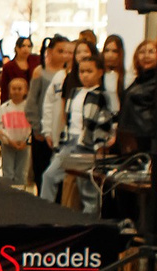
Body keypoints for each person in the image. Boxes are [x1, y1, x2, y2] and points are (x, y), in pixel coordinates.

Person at [40, 48, 115, 215]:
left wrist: (99, 145)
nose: (85, 75)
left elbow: (104, 122)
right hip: (69, 142)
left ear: (100, 72)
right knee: (49, 175)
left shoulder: (102, 96)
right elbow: (68, 119)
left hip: (88, 145)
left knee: (87, 189)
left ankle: (90, 222)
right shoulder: (74, 92)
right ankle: (44, 214)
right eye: (82, 71)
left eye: (89, 71)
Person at [26, 37, 70, 193]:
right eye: (60, 51)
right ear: (50, 52)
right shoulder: (40, 72)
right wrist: (37, 128)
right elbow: (31, 103)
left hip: (60, 131)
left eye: (67, 52)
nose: (64, 55)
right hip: (41, 132)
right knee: (42, 172)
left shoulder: (68, 74)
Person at [116, 38, 157, 155]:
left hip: (146, 138)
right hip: (129, 137)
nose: (146, 56)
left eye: (151, 52)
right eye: (142, 52)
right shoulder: (137, 80)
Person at [0, 75, 32, 188]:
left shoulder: (29, 108)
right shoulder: (4, 108)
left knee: (22, 172)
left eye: (19, 89)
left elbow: (33, 127)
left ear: (26, 91)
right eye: (14, 89)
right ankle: (8, 192)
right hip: (8, 145)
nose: (16, 91)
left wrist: (27, 141)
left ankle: (20, 193)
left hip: (24, 146)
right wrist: (8, 140)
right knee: (8, 171)